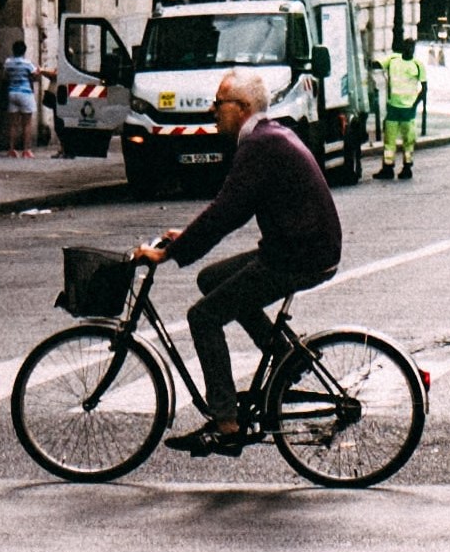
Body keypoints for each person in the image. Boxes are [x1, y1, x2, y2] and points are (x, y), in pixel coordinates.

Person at [137, 70, 343, 454]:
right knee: (212, 279)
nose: (213, 110)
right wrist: (187, 239)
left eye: (220, 103)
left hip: (299, 254)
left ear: (243, 108)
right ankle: (284, 356)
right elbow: (232, 206)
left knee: (204, 315)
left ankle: (226, 422)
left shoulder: (261, 145)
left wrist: (170, 253)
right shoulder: (267, 138)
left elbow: (227, 211)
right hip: (299, 247)